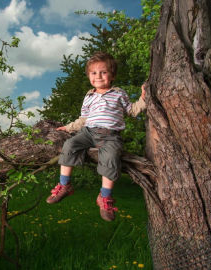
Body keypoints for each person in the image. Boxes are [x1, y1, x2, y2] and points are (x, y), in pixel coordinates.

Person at [46, 51, 146, 221]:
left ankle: (105, 197)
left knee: (111, 157)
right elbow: (83, 119)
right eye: (93, 73)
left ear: (112, 75)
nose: (98, 76)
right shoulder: (89, 96)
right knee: (69, 145)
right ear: (89, 76)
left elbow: (132, 110)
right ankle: (64, 185)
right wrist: (69, 127)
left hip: (110, 135)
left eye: (103, 72)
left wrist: (144, 97)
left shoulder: (118, 93)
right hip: (88, 132)